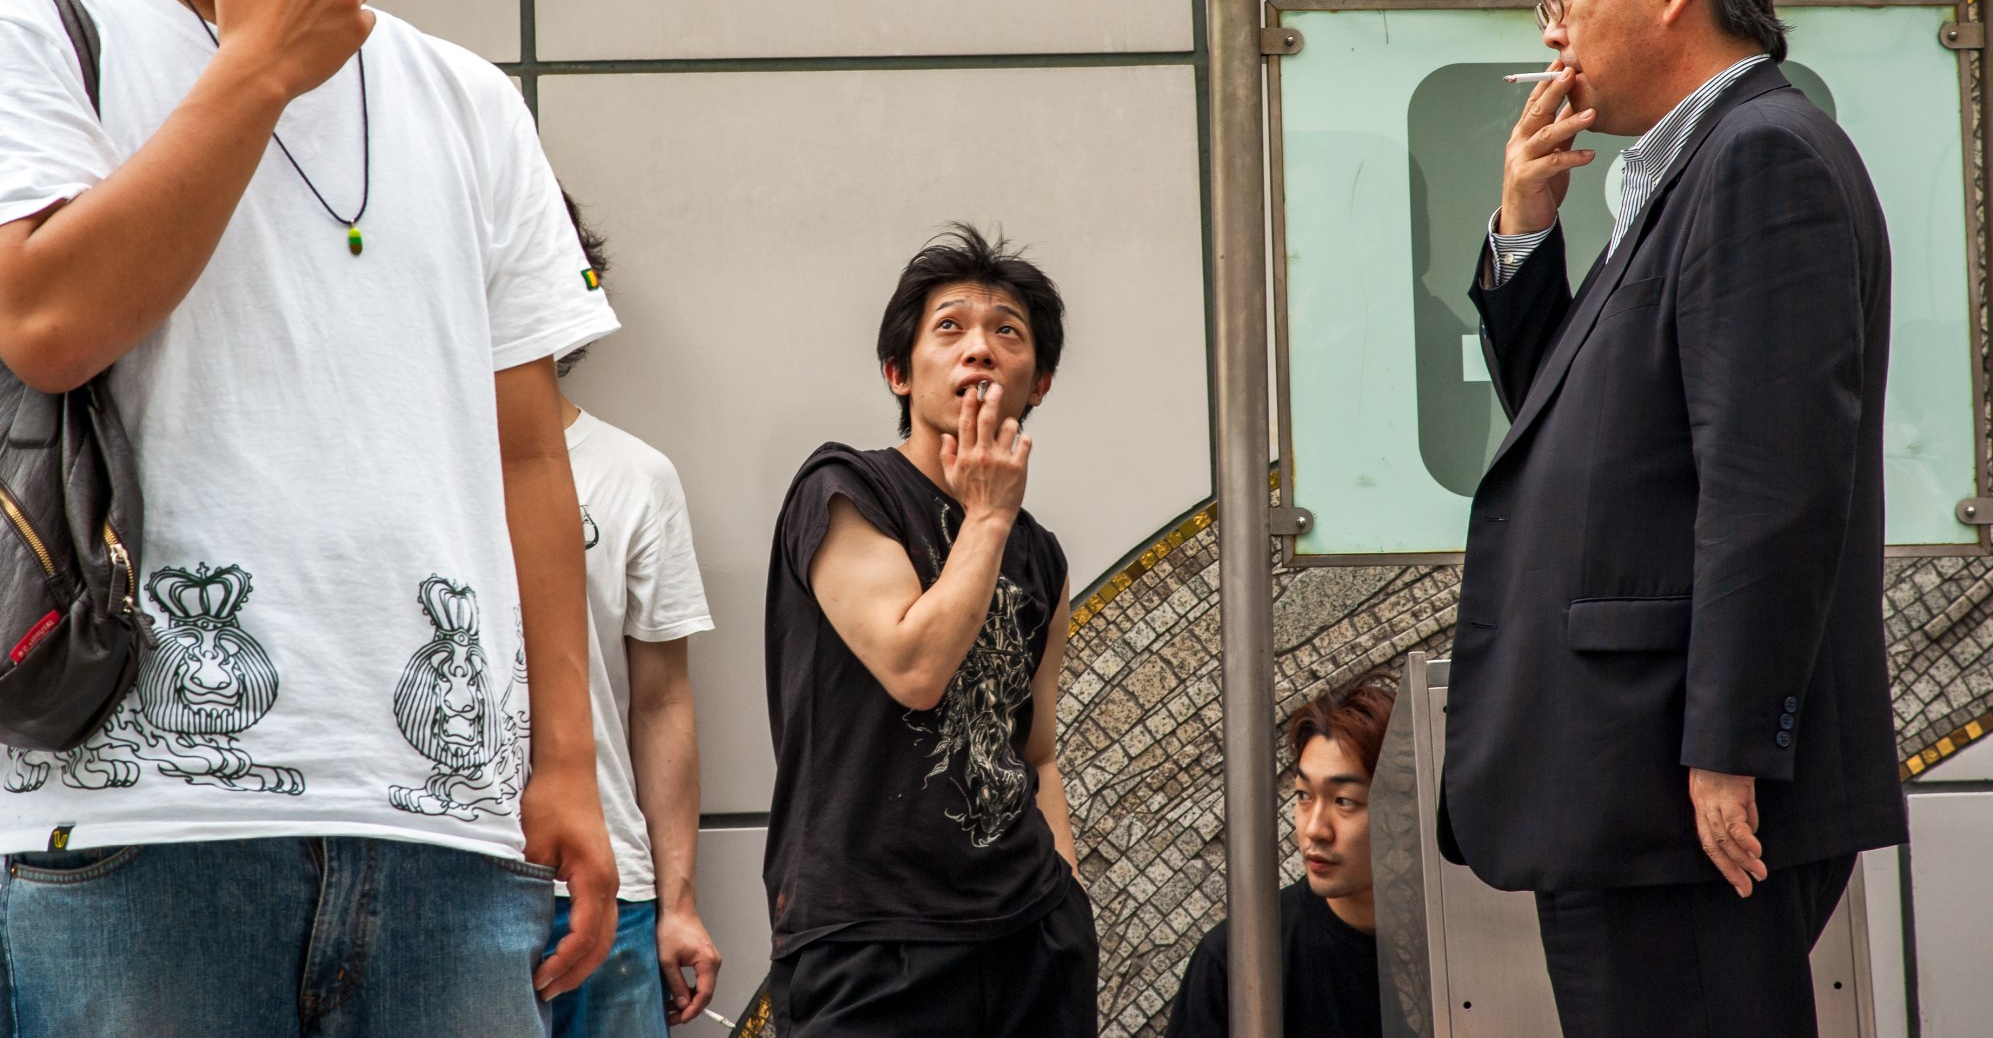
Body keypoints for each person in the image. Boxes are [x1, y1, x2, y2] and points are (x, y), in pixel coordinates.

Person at [0, 0, 620, 1031]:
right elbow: (48, 317)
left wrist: (567, 762)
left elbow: (530, 447)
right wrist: (261, 67)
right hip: (142, 826)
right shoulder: (43, 27)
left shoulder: (471, 101)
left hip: (447, 831)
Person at [1440, 0, 1907, 1037]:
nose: (1549, 27)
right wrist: (1522, 228)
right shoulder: (1691, 169)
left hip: (1679, 792)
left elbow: (1770, 487)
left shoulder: (1757, 158)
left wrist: (1727, 749)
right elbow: (1563, 418)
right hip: (1631, 783)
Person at [761, 224, 1097, 1038]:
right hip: (874, 938)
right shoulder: (845, 489)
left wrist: (1069, 896)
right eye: (949, 327)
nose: (977, 349)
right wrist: (987, 515)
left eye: (1005, 332)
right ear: (898, 373)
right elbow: (915, 665)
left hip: (1030, 935)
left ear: (1040, 382)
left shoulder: (1038, 551)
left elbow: (1037, 748)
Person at [546, 192, 722, 1033]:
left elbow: (660, 699)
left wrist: (679, 899)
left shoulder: (634, 474)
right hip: (441, 885)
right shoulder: (395, 468)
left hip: (612, 889)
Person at [1166, 673, 1391, 1038]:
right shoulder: (1237, 961)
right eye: (1303, 795)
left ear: (1406, 806)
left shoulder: (1460, 944)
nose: (1315, 828)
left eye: (1344, 801)